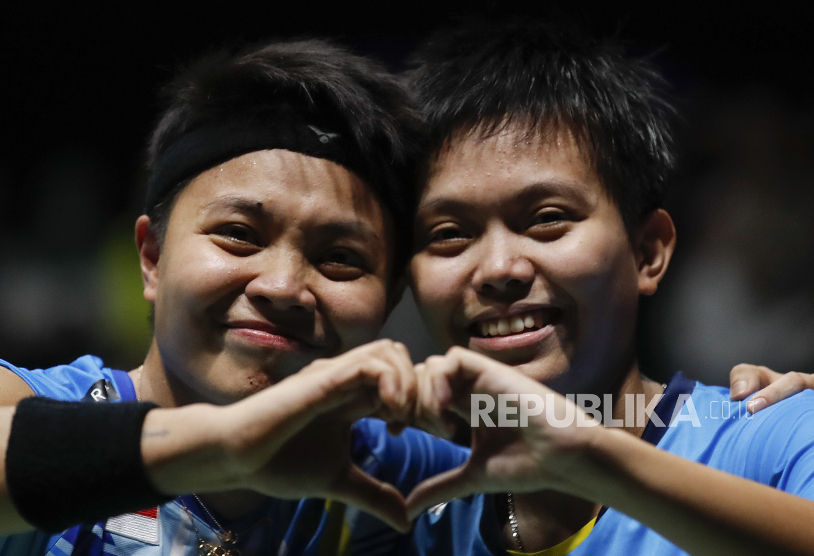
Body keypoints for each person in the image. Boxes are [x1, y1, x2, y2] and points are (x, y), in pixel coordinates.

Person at [0, 38, 467, 556]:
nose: (283, 286)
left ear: (390, 297)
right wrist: (226, 445)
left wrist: (510, 417)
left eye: (340, 258)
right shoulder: (39, 404)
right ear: (152, 257)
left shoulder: (396, 470)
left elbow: (563, 435)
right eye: (240, 234)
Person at [399, 18, 814, 556]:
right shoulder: (403, 506)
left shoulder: (775, 438)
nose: (498, 268)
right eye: (449, 233)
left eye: (546, 219)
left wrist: (593, 457)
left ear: (647, 252)